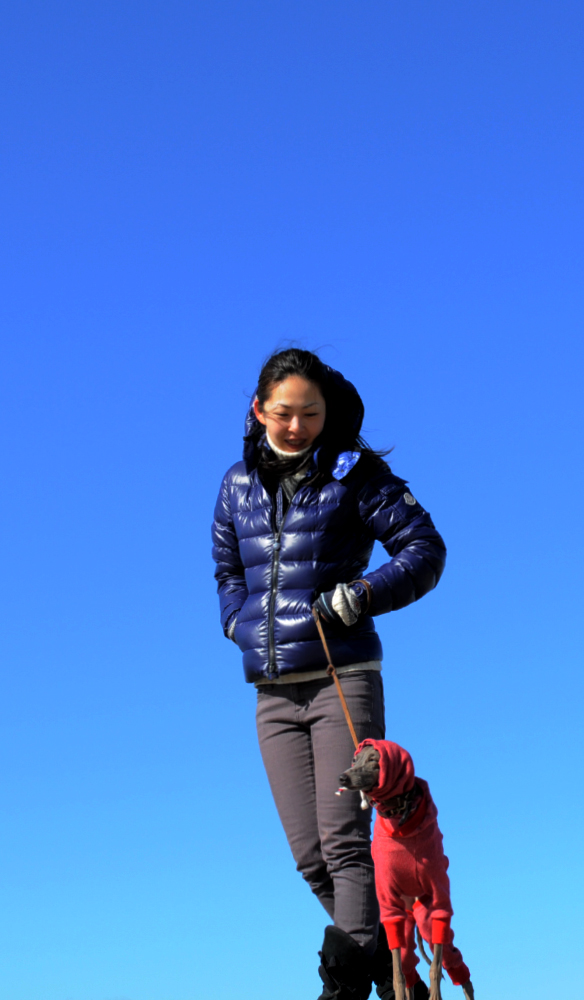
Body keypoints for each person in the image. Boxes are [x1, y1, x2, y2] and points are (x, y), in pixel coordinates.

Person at [210, 348, 446, 1000]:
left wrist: (362, 595)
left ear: (325, 412)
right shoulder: (235, 484)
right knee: (311, 858)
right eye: (283, 413)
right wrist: (236, 623)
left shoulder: (355, 474)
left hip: (343, 676)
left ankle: (342, 989)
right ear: (259, 410)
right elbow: (227, 570)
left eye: (310, 413)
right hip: (272, 692)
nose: (296, 426)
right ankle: (402, 978)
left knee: (344, 843)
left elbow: (425, 550)